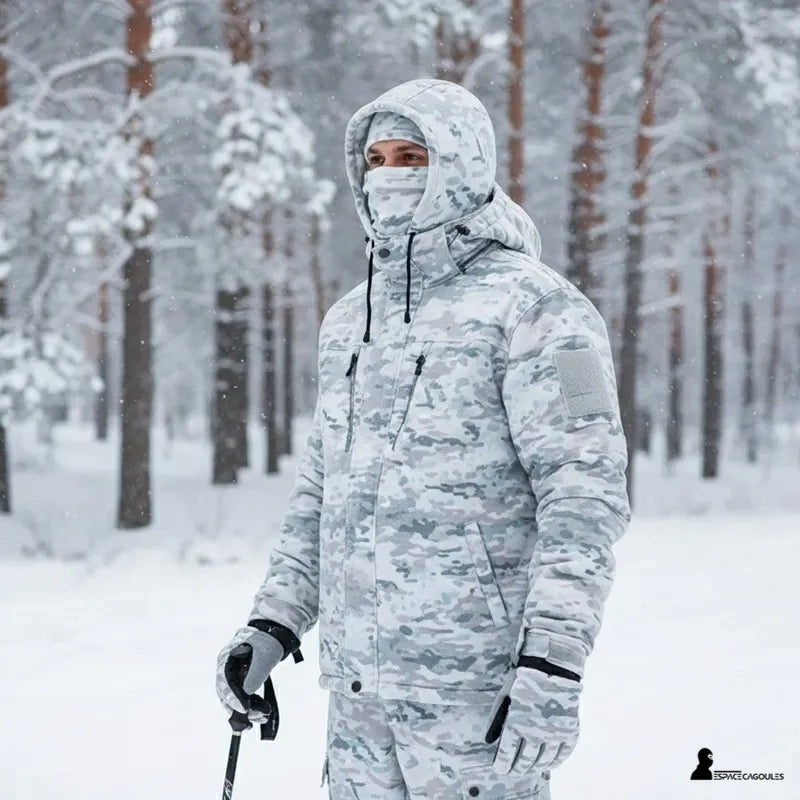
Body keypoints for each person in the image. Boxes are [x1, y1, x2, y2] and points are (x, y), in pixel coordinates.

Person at [216, 78, 630, 800]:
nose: (390, 175)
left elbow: (584, 497)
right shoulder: (350, 321)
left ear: (460, 164)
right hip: (356, 704)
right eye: (375, 159)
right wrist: (272, 623)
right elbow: (322, 494)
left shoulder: (542, 310)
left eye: (412, 155)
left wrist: (553, 664)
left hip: (479, 702)